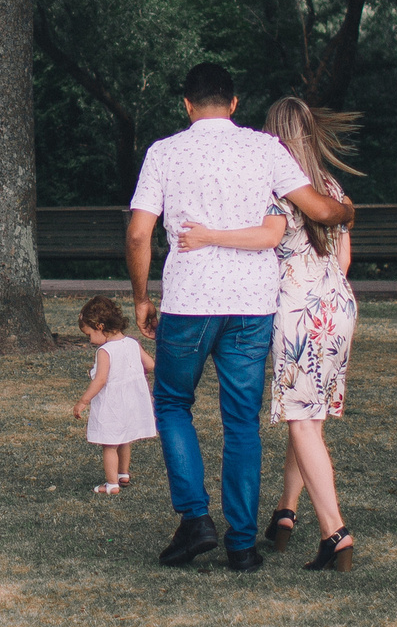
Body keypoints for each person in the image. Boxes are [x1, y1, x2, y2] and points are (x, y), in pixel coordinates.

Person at [127, 62, 355, 570]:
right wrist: (345, 213)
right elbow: (318, 209)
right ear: (233, 104)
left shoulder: (163, 153)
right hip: (253, 307)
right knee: (241, 422)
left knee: (171, 403)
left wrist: (142, 299)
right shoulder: (265, 148)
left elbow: (140, 233)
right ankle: (242, 544)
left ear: (186, 105)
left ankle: (194, 520)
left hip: (189, 304)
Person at [182, 97, 362, 572]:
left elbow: (266, 237)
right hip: (339, 304)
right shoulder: (330, 187)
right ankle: (286, 511)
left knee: (300, 419)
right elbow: (342, 260)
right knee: (309, 418)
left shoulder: (277, 185)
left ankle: (335, 533)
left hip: (298, 310)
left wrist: (208, 236)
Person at [70, 295, 156, 493]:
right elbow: (150, 365)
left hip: (113, 404)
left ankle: (111, 484)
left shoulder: (105, 351)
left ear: (100, 326)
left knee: (109, 444)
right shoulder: (132, 343)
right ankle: (123, 474)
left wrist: (84, 401)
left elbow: (100, 380)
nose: (90, 340)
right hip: (132, 402)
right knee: (125, 438)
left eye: (89, 334)